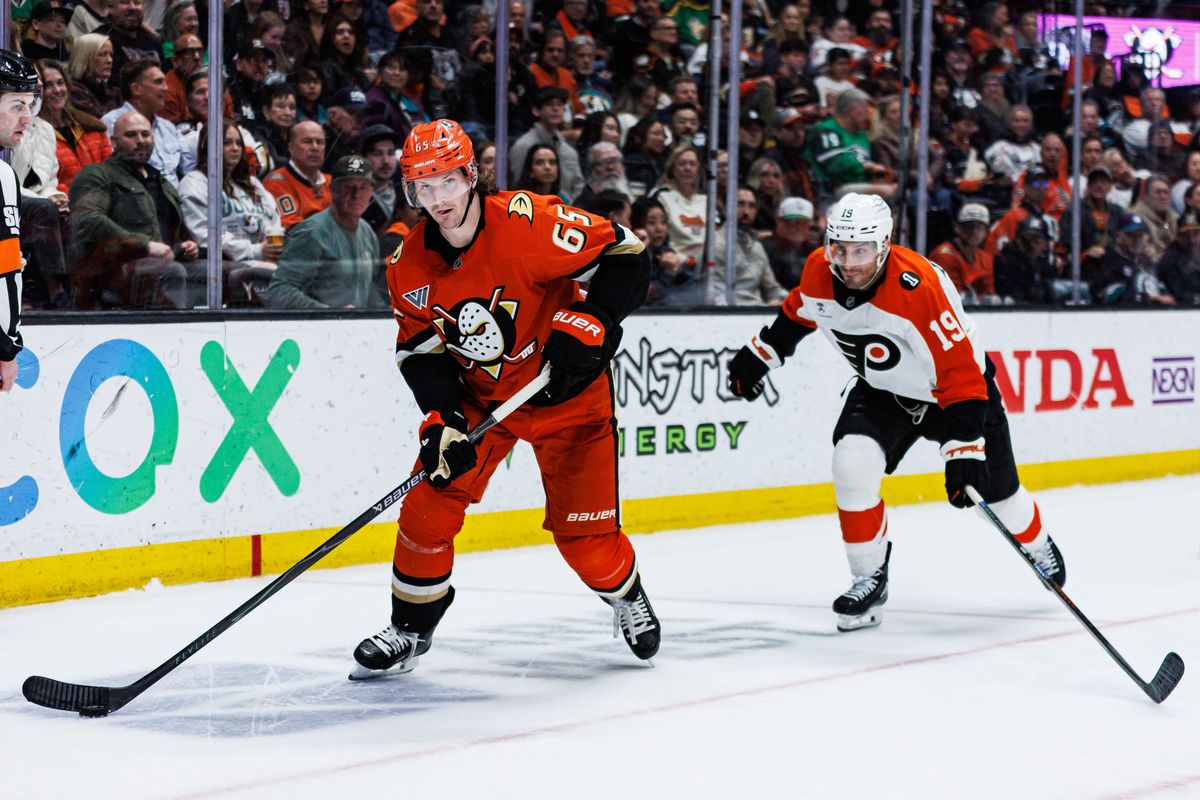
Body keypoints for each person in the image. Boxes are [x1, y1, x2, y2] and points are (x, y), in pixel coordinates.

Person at [352, 118, 658, 678]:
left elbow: (628, 256)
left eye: (447, 181)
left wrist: (590, 320)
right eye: (422, 186)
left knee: (587, 546)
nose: (437, 199)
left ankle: (625, 593)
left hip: (567, 397)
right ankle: (410, 628)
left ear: (472, 174)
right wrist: (443, 419)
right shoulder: (406, 264)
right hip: (482, 402)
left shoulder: (528, 222)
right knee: (426, 506)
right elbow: (420, 353)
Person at [726, 192, 1068, 632]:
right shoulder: (819, 268)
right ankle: (869, 579)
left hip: (956, 396)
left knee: (998, 498)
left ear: (883, 246)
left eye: (861, 250)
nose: (847, 262)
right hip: (884, 392)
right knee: (851, 462)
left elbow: (963, 376)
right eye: (839, 248)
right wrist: (763, 353)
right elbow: (802, 309)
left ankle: (1037, 544)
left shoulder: (919, 288)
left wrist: (963, 451)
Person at [68, 111, 201, 309]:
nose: (140, 141)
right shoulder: (97, 175)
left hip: (164, 264)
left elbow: (168, 232)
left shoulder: (162, 182)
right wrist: (143, 245)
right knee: (171, 271)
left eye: (145, 134)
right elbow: (88, 220)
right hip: (111, 270)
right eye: (131, 135)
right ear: (113, 141)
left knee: (225, 274)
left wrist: (186, 247)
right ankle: (176, 337)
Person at [266, 154, 382, 309]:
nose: (356, 194)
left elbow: (369, 289)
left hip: (355, 329)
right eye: (348, 186)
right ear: (333, 189)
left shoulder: (367, 232)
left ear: (371, 192)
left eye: (363, 187)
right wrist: (328, 314)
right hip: (314, 329)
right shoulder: (312, 233)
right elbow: (279, 291)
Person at [179, 122, 283, 271]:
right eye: (226, 143)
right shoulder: (194, 184)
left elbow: (274, 220)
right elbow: (204, 237)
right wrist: (256, 251)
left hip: (267, 258)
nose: (235, 148)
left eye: (239, 143)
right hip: (226, 264)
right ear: (208, 146)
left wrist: (274, 247)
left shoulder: (252, 183)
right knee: (273, 273)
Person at [0, 52, 39, 391]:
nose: (27, 117)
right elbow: (3, 269)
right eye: (16, 105)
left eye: (29, 105)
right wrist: (6, 345)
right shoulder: (1, 175)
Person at [100, 59, 194, 187]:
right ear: (136, 89)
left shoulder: (168, 127)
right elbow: (113, 172)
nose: (166, 88)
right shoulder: (111, 123)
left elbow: (190, 170)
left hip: (175, 201)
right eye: (158, 82)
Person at [710, 187, 789, 306]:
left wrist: (793, 300)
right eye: (740, 204)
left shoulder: (757, 247)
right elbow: (717, 297)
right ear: (725, 210)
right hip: (729, 316)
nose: (746, 212)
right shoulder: (714, 245)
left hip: (759, 314)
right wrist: (763, 307)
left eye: (752, 206)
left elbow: (773, 290)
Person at [262, 120, 331, 229]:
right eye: (307, 141)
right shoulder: (277, 182)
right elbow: (295, 231)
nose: (315, 147)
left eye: (320, 142)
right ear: (291, 148)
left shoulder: (331, 182)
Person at [931, 204, 996, 303]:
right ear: (958, 228)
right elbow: (950, 299)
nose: (974, 231)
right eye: (969, 226)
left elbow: (989, 295)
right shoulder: (944, 256)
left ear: (986, 232)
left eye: (979, 227)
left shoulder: (985, 258)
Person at [763, 196, 814, 290]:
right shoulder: (765, 249)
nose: (798, 227)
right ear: (779, 222)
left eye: (803, 222)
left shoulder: (813, 251)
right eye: (793, 221)